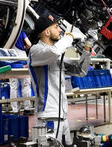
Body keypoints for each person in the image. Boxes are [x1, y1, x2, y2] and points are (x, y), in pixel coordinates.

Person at [28, 13, 91, 146]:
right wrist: (70, 37)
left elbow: (81, 71)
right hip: (48, 117)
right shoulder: (36, 51)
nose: (60, 30)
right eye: (56, 27)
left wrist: (87, 48)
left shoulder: (56, 54)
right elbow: (54, 52)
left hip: (62, 115)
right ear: (47, 32)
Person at [10, 30, 33, 114]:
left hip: (12, 59)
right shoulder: (21, 31)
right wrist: (24, 48)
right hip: (23, 58)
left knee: (13, 86)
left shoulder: (8, 33)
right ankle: (27, 109)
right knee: (26, 85)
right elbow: (29, 44)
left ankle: (15, 110)